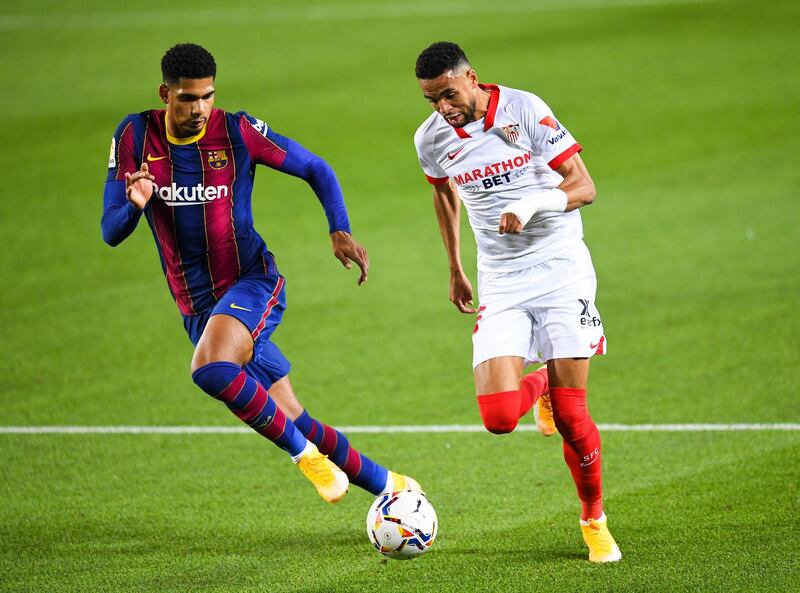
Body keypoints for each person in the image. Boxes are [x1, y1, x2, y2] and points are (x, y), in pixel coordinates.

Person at [102, 42, 419, 505]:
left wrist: (339, 230)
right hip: (197, 308)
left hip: (251, 282)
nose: (199, 108)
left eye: (207, 96)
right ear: (165, 93)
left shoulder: (237, 131)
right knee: (294, 415)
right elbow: (110, 231)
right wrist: (134, 206)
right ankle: (391, 486)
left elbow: (315, 166)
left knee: (211, 369)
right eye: (188, 98)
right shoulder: (135, 136)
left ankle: (304, 457)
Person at [412, 42, 620, 562]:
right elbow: (443, 193)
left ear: (471, 77)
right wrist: (456, 267)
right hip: (501, 280)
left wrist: (531, 202)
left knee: (573, 420)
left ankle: (593, 517)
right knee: (500, 416)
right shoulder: (432, 139)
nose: (443, 107)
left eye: (448, 93)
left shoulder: (525, 109)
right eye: (431, 100)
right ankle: (544, 381)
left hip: (560, 269)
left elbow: (584, 186)